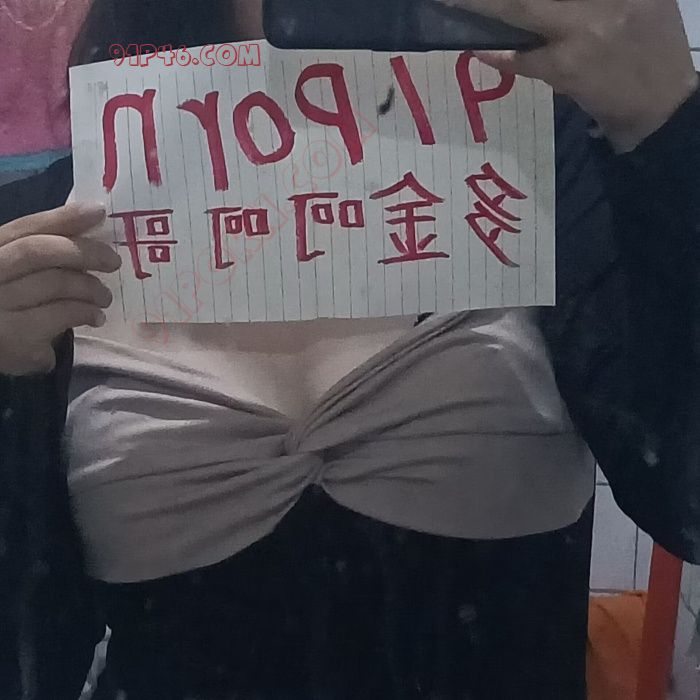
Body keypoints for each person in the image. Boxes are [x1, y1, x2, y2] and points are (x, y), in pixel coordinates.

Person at [1, 0, 699, 698]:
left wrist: (667, 122)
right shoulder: (64, 223)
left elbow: (685, 501)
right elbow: (32, 652)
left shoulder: (539, 151)